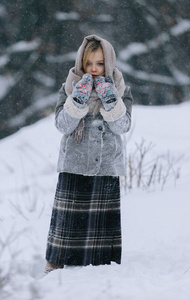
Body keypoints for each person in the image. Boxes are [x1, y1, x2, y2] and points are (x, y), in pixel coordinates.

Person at [45, 34, 133, 273]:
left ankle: (100, 269)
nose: (94, 69)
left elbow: (123, 127)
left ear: (109, 63)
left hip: (106, 165)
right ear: (81, 63)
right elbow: (62, 126)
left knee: (100, 226)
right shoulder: (69, 87)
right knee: (67, 223)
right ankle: (55, 266)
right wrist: (77, 100)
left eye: (100, 63)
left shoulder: (122, 89)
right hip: (74, 164)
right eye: (89, 63)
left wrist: (111, 101)